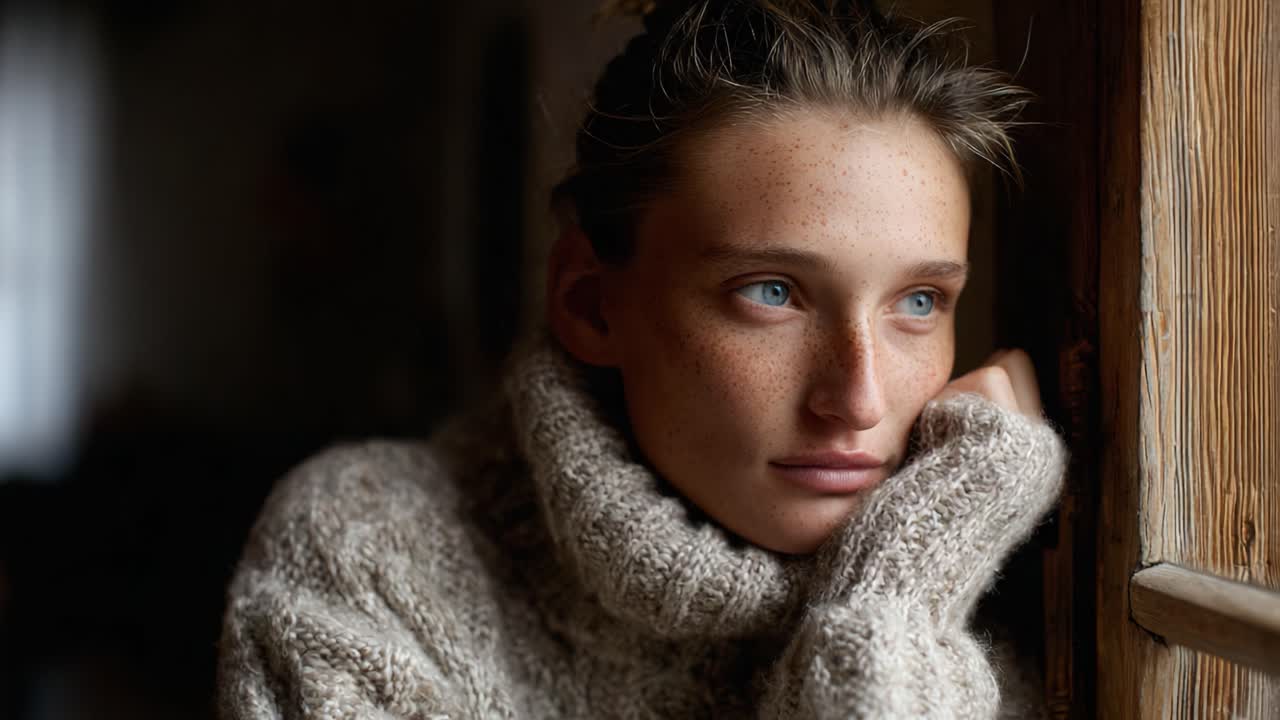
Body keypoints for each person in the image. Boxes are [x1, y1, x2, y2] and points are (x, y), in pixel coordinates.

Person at [217, 1, 1068, 717]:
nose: (859, 398)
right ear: (591, 304)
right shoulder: (369, 555)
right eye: (771, 291)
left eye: (918, 303)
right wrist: (897, 608)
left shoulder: (1001, 561)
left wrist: (910, 579)